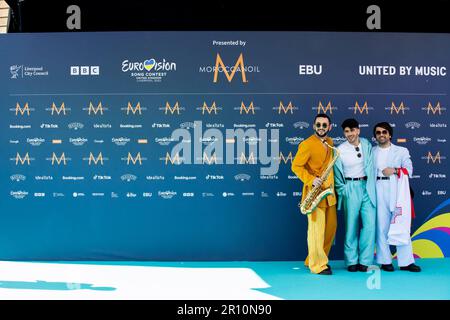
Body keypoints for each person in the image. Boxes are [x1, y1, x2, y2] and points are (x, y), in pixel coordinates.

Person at [292, 113, 337, 275]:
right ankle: (317, 265)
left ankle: (314, 257)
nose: (321, 128)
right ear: (313, 126)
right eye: (318, 125)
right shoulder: (307, 144)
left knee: (331, 228)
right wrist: (311, 179)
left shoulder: (330, 143)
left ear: (329, 127)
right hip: (315, 192)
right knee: (316, 230)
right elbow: (296, 167)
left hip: (329, 193)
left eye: (324, 125)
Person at [372, 122, 421, 272]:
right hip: (378, 189)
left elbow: (409, 170)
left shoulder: (401, 150)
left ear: (390, 134)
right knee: (381, 227)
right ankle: (385, 261)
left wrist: (393, 170)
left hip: (397, 190)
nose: (381, 135)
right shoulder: (371, 151)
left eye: (384, 132)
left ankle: (406, 262)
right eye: (378, 132)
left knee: (401, 224)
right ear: (375, 136)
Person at [334, 118, 376, 272]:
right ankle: (351, 261)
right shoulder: (340, 149)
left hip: (367, 187)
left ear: (358, 130)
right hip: (350, 187)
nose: (349, 134)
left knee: (370, 226)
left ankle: (365, 261)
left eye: (352, 130)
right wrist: (343, 189)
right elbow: (337, 174)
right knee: (351, 225)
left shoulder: (366, 144)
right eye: (346, 131)